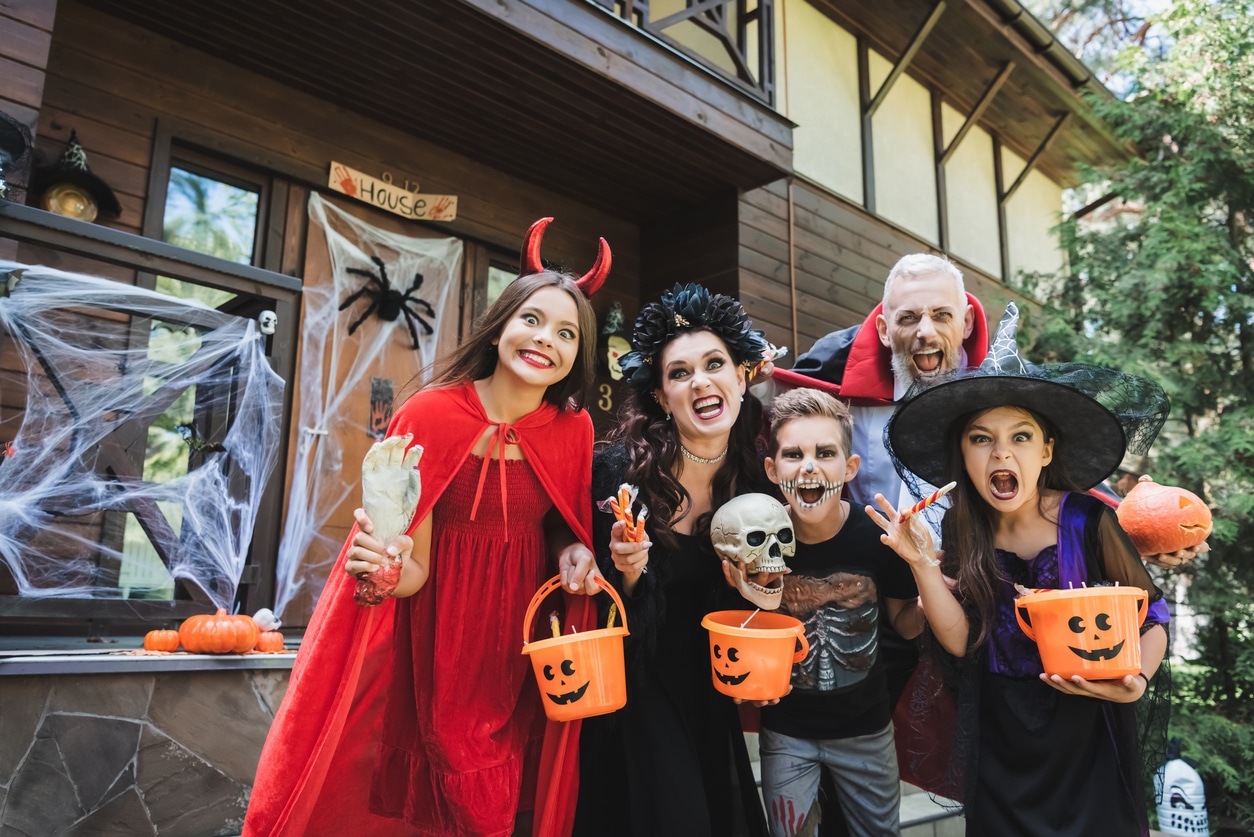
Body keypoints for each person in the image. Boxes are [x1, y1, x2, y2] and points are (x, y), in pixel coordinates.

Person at [243, 220, 609, 837]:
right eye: (533, 320)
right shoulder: (431, 413)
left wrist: (575, 548)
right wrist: (383, 566)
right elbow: (414, 569)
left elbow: (561, 522)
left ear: (580, 354)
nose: (546, 339)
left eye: (567, 332)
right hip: (440, 643)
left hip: (522, 647)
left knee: (509, 794)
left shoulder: (574, 431)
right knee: (452, 785)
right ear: (500, 327)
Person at [867, 303, 1171, 836]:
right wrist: (920, 564)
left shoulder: (1089, 521)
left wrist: (1138, 679)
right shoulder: (966, 530)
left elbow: (1153, 615)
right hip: (1000, 744)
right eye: (981, 438)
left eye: (1021, 437)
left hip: (1087, 738)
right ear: (963, 453)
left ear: (1048, 449)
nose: (1000, 453)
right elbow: (961, 642)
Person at [571, 283, 774, 837]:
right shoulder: (616, 475)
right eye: (679, 373)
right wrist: (629, 571)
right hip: (634, 687)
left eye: (715, 364)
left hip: (710, 688)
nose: (701, 381)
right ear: (662, 397)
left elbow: (763, 598)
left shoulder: (758, 482)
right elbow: (600, 597)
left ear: (742, 375)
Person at [758, 387, 922, 837]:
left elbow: (904, 626)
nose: (809, 466)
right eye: (793, 454)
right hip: (787, 733)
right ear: (773, 470)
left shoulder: (877, 538)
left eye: (825, 453)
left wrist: (932, 592)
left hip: (867, 732)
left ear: (849, 468)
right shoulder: (758, 538)